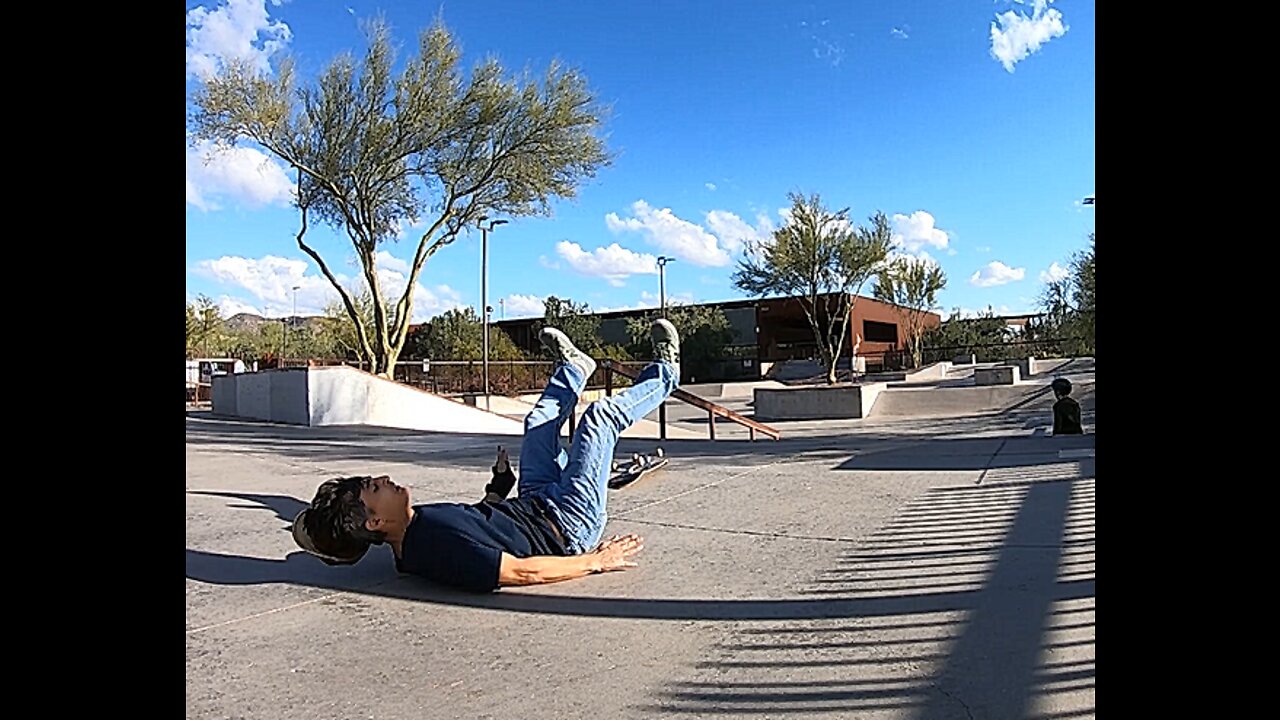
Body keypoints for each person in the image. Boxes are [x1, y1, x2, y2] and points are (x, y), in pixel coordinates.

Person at [290, 319, 682, 593]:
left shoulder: (411, 539)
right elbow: (521, 572)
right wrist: (598, 561)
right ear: (375, 520)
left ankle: (574, 369)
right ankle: (666, 373)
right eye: (374, 488)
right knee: (598, 419)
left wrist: (498, 488)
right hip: (569, 524)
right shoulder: (435, 545)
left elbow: (478, 526)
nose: (383, 479)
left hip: (533, 500)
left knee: (538, 421)